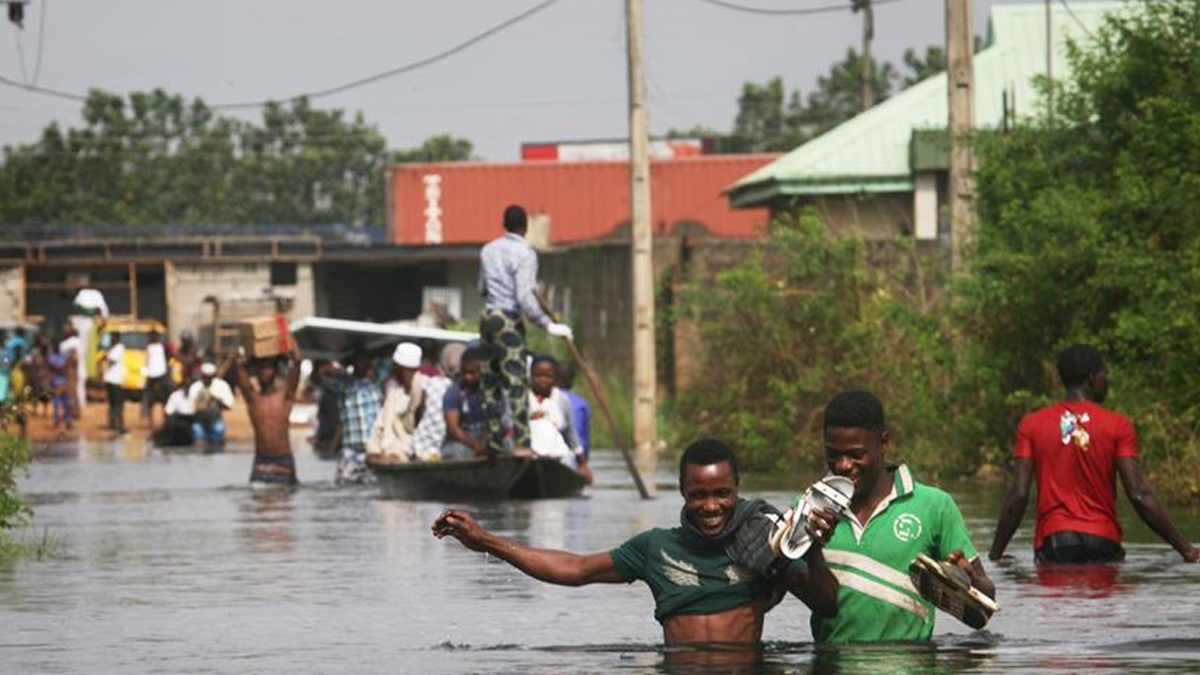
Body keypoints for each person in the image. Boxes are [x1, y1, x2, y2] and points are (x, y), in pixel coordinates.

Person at [433, 438, 839, 646]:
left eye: (722, 494)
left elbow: (826, 604)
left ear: (737, 487)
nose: (711, 506)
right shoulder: (656, 548)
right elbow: (576, 569)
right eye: (698, 495)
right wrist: (487, 541)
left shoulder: (766, 542)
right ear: (681, 491)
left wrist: (812, 547)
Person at [989, 344, 1200, 564]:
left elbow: (1018, 495)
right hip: (1103, 541)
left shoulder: (1031, 425)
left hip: (1055, 543)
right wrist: (1186, 550)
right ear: (1092, 378)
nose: (1106, 380)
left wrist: (995, 555)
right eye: (1104, 374)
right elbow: (1139, 495)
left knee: (1055, 595)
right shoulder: (1119, 425)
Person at [813, 390, 995, 643]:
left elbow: (983, 611)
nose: (843, 465)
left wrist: (966, 580)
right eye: (833, 454)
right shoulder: (810, 512)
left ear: (883, 443)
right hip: (832, 665)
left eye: (856, 454)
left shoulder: (934, 506)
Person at [477, 204, 574, 455]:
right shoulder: (525, 253)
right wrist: (547, 324)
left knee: (490, 382)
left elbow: (481, 289)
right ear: (525, 227)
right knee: (516, 382)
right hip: (508, 319)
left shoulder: (488, 250)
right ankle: (521, 444)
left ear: (503, 224)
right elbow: (524, 296)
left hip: (487, 317)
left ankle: (495, 442)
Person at [236, 345, 302, 486]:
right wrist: (252, 353)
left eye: (268, 368)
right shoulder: (253, 399)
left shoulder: (285, 396)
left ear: (276, 371)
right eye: (261, 369)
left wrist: (286, 338)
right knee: (257, 505)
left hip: (283, 461)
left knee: (285, 505)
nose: (264, 372)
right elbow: (240, 367)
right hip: (261, 462)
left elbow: (297, 360)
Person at [315, 351, 382, 484]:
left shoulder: (377, 385)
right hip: (350, 452)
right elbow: (319, 378)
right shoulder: (344, 386)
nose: (362, 364)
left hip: (373, 451)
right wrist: (330, 368)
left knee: (374, 490)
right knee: (344, 488)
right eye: (358, 361)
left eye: (364, 361)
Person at [527, 355, 593, 485]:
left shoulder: (562, 400)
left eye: (547, 376)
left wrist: (582, 463)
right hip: (530, 454)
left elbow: (570, 433)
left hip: (556, 455)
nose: (542, 380)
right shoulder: (523, 398)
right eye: (538, 376)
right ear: (531, 376)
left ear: (555, 379)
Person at [366, 342, 424, 462]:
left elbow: (416, 431)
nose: (392, 371)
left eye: (395, 368)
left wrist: (400, 455)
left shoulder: (423, 390)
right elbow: (380, 424)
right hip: (388, 455)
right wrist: (373, 451)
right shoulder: (394, 392)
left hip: (411, 457)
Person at [410, 342, 461, 460]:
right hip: (439, 449)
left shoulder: (430, 383)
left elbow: (420, 412)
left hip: (420, 444)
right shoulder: (457, 389)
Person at [440, 346, 489, 460]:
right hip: (463, 441)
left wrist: (484, 442)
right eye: (464, 372)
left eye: (472, 373)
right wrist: (475, 445)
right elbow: (454, 429)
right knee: (456, 453)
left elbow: (496, 421)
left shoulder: (490, 391)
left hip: (486, 438)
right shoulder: (454, 391)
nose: (467, 376)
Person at [188, 361, 234, 450]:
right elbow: (191, 408)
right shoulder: (195, 387)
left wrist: (217, 401)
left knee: (218, 430)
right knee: (197, 433)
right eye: (205, 377)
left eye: (209, 377)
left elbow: (229, 405)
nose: (207, 379)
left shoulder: (221, 386)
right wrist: (201, 402)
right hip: (199, 421)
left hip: (215, 420)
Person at [556, 360, 591, 460]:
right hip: (575, 458)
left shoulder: (546, 400)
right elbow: (583, 439)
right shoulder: (581, 404)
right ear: (573, 381)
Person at [141, 329, 170, 426]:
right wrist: (145, 372)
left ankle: (166, 420)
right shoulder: (148, 347)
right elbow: (146, 360)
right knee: (149, 399)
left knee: (165, 399)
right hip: (151, 375)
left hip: (161, 375)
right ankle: (150, 421)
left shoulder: (162, 346)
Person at [154, 381, 196, 447]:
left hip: (191, 422)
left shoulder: (195, 395)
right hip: (177, 422)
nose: (188, 388)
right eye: (186, 386)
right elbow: (168, 412)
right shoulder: (175, 395)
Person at [102, 331, 127, 434]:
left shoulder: (119, 348)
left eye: (112, 338)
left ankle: (119, 425)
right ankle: (115, 425)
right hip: (111, 380)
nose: (111, 340)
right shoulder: (113, 349)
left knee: (118, 404)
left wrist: (106, 357)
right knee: (114, 404)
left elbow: (111, 360)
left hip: (116, 380)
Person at [58, 325, 83, 420]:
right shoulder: (65, 343)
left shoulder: (73, 342)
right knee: (66, 391)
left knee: (71, 391)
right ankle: (68, 412)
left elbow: (74, 356)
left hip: (70, 369)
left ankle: (74, 412)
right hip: (65, 369)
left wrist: (68, 365)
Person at [47, 343, 72, 430]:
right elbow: (60, 368)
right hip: (59, 383)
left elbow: (57, 368)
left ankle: (66, 421)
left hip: (60, 383)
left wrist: (59, 368)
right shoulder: (60, 358)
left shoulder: (54, 358)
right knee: (59, 403)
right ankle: (60, 421)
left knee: (64, 403)